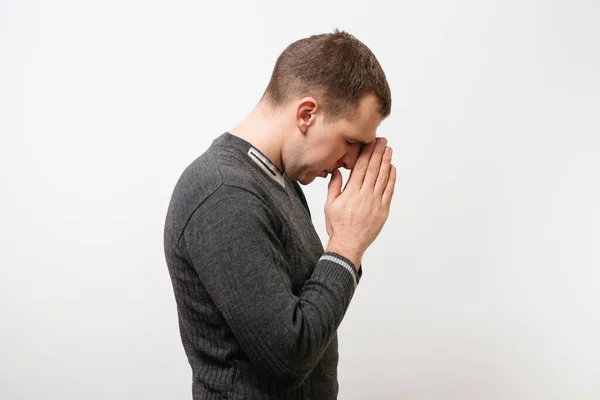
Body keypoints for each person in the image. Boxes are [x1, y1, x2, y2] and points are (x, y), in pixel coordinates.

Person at [163, 28, 396, 399]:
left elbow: (307, 318)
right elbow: (288, 356)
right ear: (307, 114)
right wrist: (346, 246)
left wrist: (342, 246)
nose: (352, 161)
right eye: (351, 141)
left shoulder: (278, 181)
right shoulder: (224, 193)